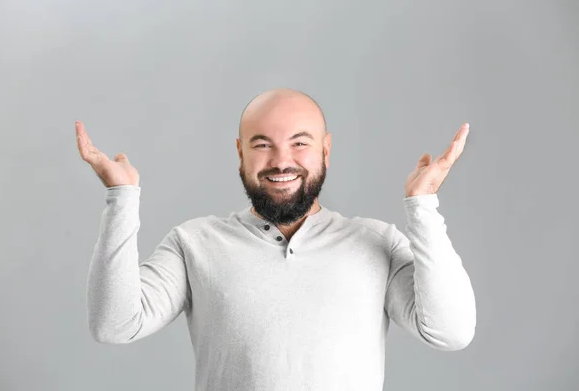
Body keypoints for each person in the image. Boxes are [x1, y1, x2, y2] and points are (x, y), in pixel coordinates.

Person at [77, 88, 476, 391]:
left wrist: (422, 206)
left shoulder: (376, 244)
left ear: (326, 150)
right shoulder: (193, 243)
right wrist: (121, 198)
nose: (281, 161)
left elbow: (450, 331)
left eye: (299, 143)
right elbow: (114, 325)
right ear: (240, 154)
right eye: (262, 144)